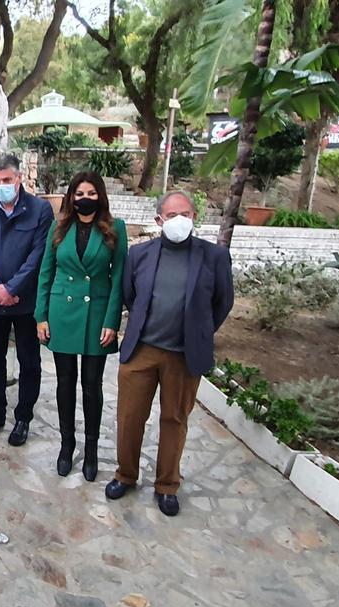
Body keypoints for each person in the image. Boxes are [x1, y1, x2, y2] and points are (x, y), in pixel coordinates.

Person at [105, 191, 234, 516]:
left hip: (183, 356)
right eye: (172, 215)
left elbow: (223, 302)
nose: (180, 220)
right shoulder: (140, 254)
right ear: (159, 220)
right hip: (142, 351)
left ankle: (167, 485)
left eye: (186, 214)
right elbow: (130, 295)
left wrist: (197, 330)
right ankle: (126, 475)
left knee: (174, 420)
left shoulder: (213, 256)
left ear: (194, 217)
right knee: (130, 418)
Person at [34, 172, 128, 482]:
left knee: (91, 386)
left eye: (89, 193)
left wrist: (112, 321)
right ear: (70, 197)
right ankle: (66, 445)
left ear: (99, 196)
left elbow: (119, 280)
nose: (83, 198)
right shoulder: (58, 227)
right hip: (62, 312)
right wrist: (41, 316)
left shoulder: (116, 229)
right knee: (64, 383)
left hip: (96, 316)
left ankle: (90, 450)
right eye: (78, 193)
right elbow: (46, 273)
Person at [0, 154, 53, 446]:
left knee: (29, 361)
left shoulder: (40, 211)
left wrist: (14, 287)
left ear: (19, 179)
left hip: (26, 301)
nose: (2, 185)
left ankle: (23, 417)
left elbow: (39, 255)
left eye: (7, 180)